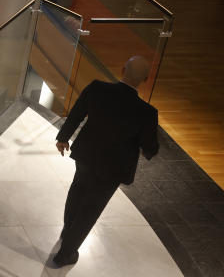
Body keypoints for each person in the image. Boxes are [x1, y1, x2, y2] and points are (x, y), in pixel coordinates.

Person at [52, 56, 158, 268]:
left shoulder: (97, 88)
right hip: (113, 168)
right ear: (145, 80)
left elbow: (76, 114)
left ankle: (67, 233)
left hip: (85, 154)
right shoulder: (147, 112)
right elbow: (150, 149)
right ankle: (65, 254)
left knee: (77, 191)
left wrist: (63, 138)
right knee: (91, 208)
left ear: (122, 69)